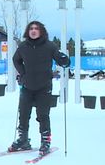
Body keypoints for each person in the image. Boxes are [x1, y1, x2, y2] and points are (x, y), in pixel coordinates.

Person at [10, 21, 70, 156]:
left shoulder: (50, 46)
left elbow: (61, 60)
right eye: (31, 28)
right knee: (24, 114)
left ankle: (45, 141)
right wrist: (22, 73)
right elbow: (16, 60)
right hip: (27, 86)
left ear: (41, 31)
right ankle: (23, 139)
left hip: (44, 87)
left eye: (36, 28)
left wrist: (64, 60)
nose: (33, 31)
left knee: (43, 115)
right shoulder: (23, 46)